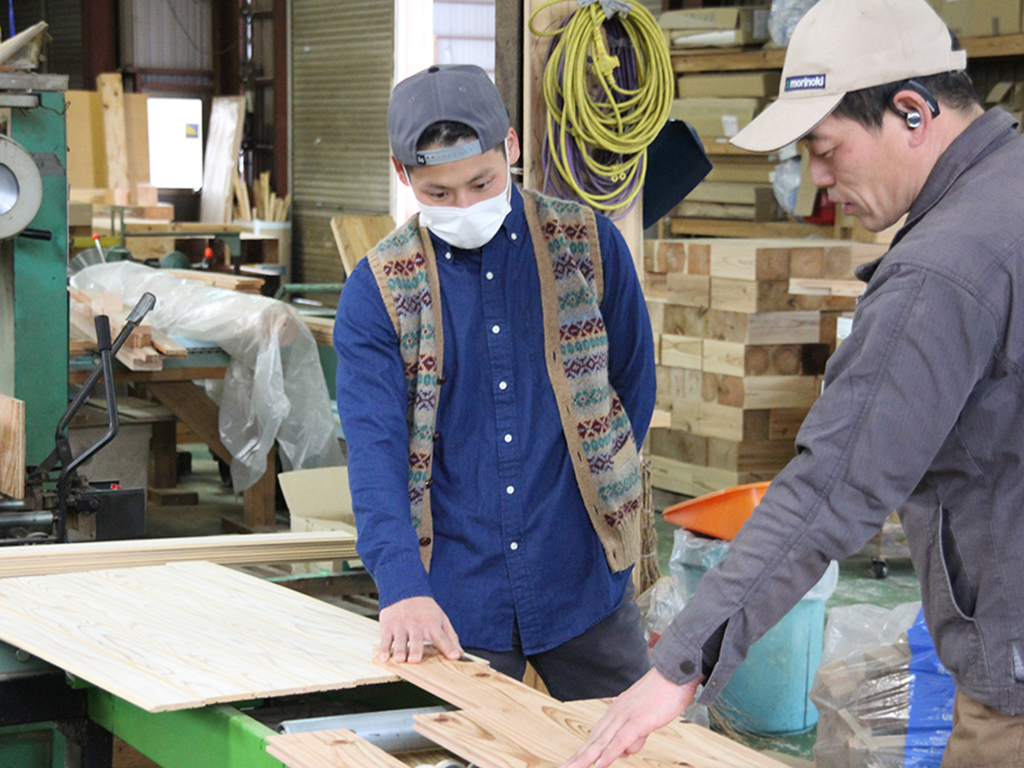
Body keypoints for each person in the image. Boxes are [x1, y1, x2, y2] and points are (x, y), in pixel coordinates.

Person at [564, 0, 1024, 765]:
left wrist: (679, 664)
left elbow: (830, 491)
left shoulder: (941, 272)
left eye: (825, 146)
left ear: (910, 111)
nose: (816, 178)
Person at [333, 64, 656, 701]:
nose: (465, 206)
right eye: (438, 193)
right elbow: (375, 454)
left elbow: (631, 390)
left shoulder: (588, 248)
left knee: (641, 748)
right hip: (455, 599)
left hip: (582, 582)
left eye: (482, 182)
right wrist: (402, 586)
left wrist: (604, 488)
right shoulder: (376, 293)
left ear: (510, 147)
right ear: (404, 177)